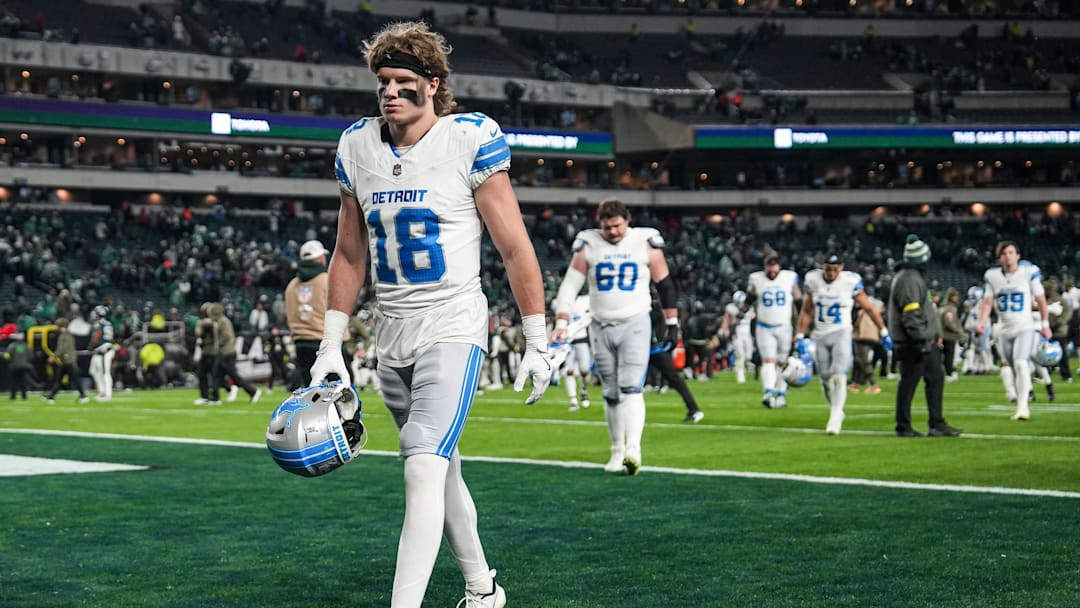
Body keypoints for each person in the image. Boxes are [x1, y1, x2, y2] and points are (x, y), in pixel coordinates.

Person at [310, 20, 553, 608]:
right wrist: (330, 345)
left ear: (433, 84)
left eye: (402, 81)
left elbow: (515, 246)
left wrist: (537, 339)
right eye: (382, 82)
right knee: (443, 473)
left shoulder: (467, 138)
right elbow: (348, 253)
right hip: (391, 332)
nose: (389, 92)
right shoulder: (358, 146)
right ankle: (483, 589)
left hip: (452, 323)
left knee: (420, 467)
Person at [552, 198, 678, 475]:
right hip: (599, 324)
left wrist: (672, 320)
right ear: (600, 225)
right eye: (607, 227)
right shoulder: (588, 244)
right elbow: (569, 286)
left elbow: (665, 284)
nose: (612, 232)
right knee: (610, 392)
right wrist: (561, 321)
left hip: (635, 321)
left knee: (631, 386)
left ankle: (634, 448)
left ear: (627, 221)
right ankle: (616, 450)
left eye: (617, 226)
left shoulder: (645, 242)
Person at [796, 253, 891, 435]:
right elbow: (807, 309)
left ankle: (834, 417)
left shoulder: (850, 281)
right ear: (822, 266)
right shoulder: (813, 279)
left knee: (839, 374)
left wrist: (883, 331)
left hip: (841, 332)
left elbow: (869, 307)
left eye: (835, 269)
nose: (832, 273)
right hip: (820, 333)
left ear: (842, 267)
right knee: (824, 378)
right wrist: (800, 335)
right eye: (828, 268)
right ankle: (837, 410)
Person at [888, 235, 962, 438]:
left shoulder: (910, 277)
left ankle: (936, 423)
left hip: (920, 339)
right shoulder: (910, 279)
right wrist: (921, 338)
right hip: (914, 342)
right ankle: (904, 426)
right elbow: (911, 314)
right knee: (910, 381)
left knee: (935, 378)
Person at [976, 241, 1051, 421]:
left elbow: (1041, 300)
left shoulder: (1028, 273)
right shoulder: (992, 276)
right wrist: (982, 321)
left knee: (1020, 363)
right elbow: (987, 302)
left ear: (1018, 255)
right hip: (1004, 329)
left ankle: (1023, 407)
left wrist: (1045, 323)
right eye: (1004, 253)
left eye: (1011, 252)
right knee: (1014, 368)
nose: (1007, 256)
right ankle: (1021, 403)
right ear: (999, 257)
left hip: (1024, 327)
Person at [285, 239, 349, 388]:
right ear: (320, 258)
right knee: (341, 390)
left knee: (310, 392)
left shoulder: (292, 285)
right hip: (328, 342)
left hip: (302, 343)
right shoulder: (328, 280)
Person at [740, 252, 800, 408]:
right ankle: (768, 392)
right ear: (764, 266)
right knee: (768, 360)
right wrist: (742, 312)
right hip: (764, 326)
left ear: (779, 266)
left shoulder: (789, 278)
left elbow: (799, 301)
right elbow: (750, 298)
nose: (772, 269)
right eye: (769, 265)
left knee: (782, 362)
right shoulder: (756, 279)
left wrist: (799, 328)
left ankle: (781, 395)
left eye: (774, 265)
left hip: (785, 326)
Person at [648, 289, 703, 423]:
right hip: (649, 345)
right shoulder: (653, 298)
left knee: (673, 378)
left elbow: (656, 316)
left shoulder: (651, 301)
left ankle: (694, 409)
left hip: (654, 346)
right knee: (673, 378)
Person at [210, 302, 262, 404]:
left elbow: (227, 335)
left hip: (226, 352)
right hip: (226, 352)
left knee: (231, 375)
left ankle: (252, 391)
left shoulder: (223, 322)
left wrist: (218, 344)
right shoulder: (223, 321)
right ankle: (215, 397)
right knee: (217, 374)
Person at [553, 293, 594, 411]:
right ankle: (573, 400)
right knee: (569, 370)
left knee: (585, 369)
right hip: (567, 342)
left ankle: (584, 390)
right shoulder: (561, 302)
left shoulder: (585, 300)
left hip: (582, 339)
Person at [44, 318, 88, 403]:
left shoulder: (63, 336)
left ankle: (83, 396)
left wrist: (53, 356)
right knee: (66, 380)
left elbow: (61, 349)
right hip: (68, 361)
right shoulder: (69, 335)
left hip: (67, 361)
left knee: (69, 380)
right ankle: (51, 396)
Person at [850, 292, 884, 395]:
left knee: (863, 360)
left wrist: (853, 333)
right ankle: (856, 383)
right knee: (858, 360)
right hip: (873, 337)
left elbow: (857, 324)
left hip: (862, 337)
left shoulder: (862, 311)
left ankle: (873, 385)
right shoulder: (875, 310)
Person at [719, 290, 753, 385]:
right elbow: (727, 319)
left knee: (748, 356)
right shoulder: (731, 308)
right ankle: (740, 375)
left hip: (747, 333)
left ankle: (744, 368)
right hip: (737, 333)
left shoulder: (749, 308)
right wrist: (724, 329)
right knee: (740, 355)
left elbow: (754, 316)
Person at [1044, 278, 1073, 383]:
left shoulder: (1060, 300)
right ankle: (1045, 374)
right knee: (1044, 353)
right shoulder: (1043, 299)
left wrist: (1059, 322)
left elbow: (1067, 313)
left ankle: (1066, 375)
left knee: (1062, 354)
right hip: (1047, 329)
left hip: (1059, 329)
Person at [193, 302, 220, 405]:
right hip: (206, 352)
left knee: (214, 375)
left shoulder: (215, 323)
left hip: (213, 351)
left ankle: (215, 397)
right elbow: (198, 333)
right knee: (202, 374)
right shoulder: (204, 323)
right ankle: (205, 396)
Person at [87, 305, 114, 401]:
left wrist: (92, 345)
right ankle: (102, 392)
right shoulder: (106, 323)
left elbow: (99, 337)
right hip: (100, 350)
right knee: (93, 371)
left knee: (105, 373)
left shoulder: (99, 324)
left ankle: (107, 394)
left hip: (104, 350)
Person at [938, 287, 965, 382]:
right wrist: (959, 331)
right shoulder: (949, 308)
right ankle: (949, 373)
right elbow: (949, 323)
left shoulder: (944, 307)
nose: (957, 298)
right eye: (955, 296)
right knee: (949, 355)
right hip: (949, 335)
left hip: (945, 335)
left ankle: (948, 371)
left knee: (946, 355)